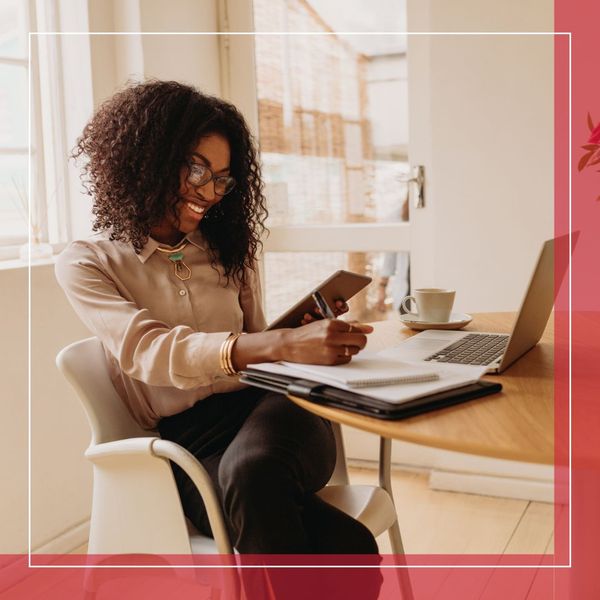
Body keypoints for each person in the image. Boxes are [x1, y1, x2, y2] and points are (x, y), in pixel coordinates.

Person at [55, 80, 383, 596]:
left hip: (274, 410)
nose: (209, 192)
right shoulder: (88, 262)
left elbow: (257, 345)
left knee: (254, 475)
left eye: (222, 179)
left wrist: (289, 335)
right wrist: (276, 346)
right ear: (145, 159)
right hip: (185, 443)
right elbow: (149, 351)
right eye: (197, 169)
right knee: (336, 537)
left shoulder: (229, 248)